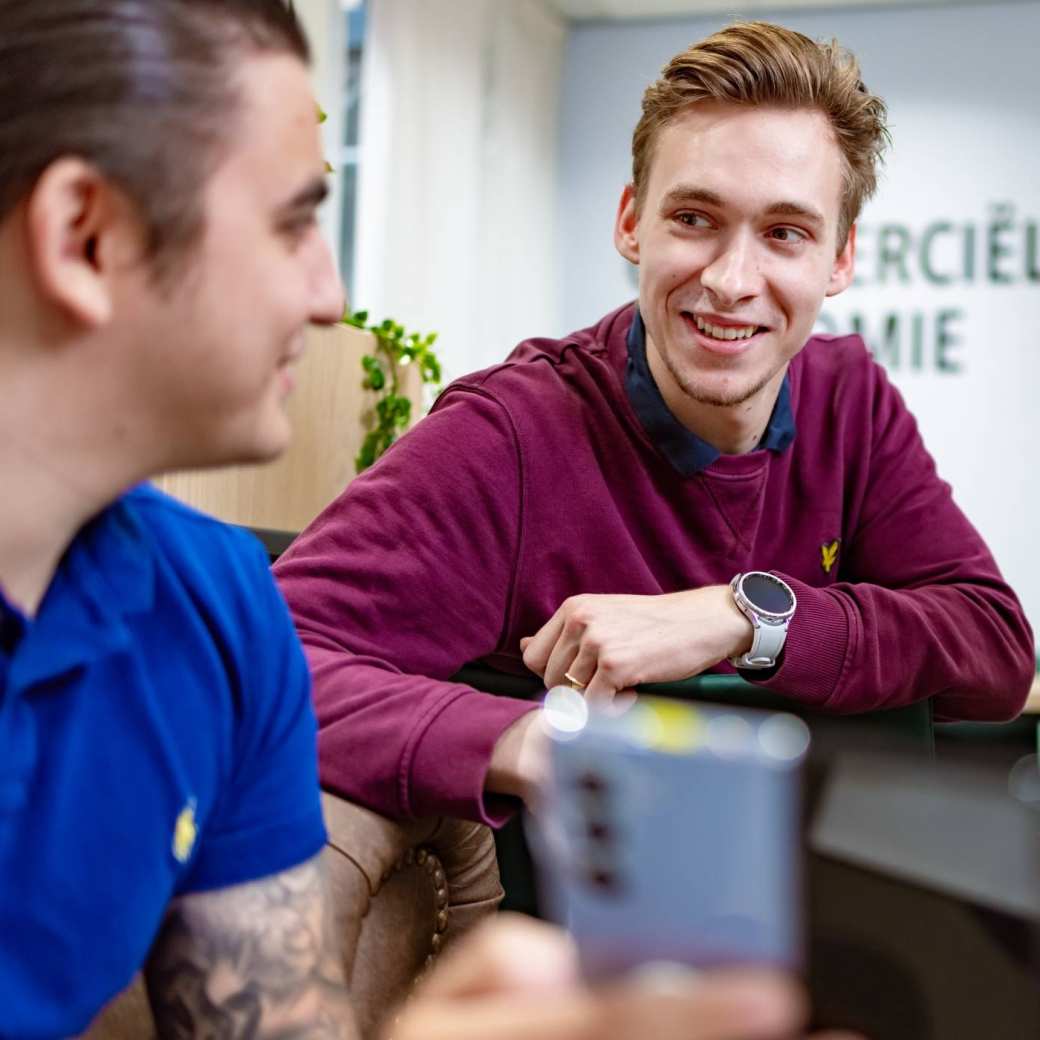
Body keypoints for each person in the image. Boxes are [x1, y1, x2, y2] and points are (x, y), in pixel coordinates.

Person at [0, 4, 838, 1039]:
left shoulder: (217, 609)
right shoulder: (512, 427)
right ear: (85, 236)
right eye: (288, 222)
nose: (330, 292)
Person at [275, 21, 1035, 824]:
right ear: (633, 222)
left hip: (830, 911)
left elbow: (990, 651)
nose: (732, 280)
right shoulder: (510, 435)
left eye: (784, 233)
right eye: (695, 219)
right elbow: (253, 668)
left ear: (839, 259)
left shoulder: (849, 398)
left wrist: (742, 616)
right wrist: (534, 741)